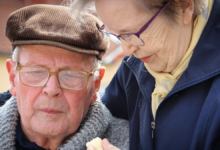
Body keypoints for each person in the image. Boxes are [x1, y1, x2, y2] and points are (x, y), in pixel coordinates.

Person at [69, 0, 220, 150]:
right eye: (118, 35)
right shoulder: (135, 64)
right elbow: (105, 120)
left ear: (184, 7)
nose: (127, 51)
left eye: (134, 33)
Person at [0, 4, 129, 150]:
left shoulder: (134, 143)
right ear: (12, 78)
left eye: (70, 75)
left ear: (96, 83)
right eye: (36, 72)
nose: (52, 89)